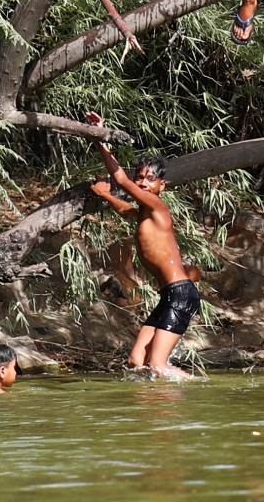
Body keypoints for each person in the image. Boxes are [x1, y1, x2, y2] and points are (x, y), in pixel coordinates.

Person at [85, 111, 203, 379]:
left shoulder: (158, 207)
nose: (142, 182)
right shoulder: (144, 213)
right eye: (140, 177)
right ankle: (150, 408)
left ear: (163, 186)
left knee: (158, 366)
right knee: (136, 361)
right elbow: (126, 208)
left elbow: (123, 181)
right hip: (170, 296)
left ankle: (195, 390)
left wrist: (100, 140)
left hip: (182, 294)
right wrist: (104, 195)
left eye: (150, 179)